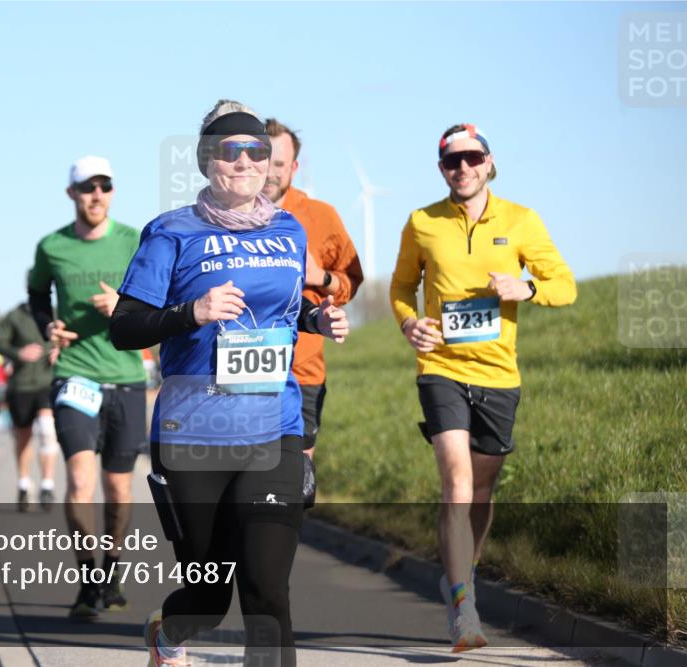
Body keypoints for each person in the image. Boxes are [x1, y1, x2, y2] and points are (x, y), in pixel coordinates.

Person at [109, 100, 348, 667]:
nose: (244, 161)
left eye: (256, 150)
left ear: (270, 162)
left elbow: (282, 308)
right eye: (229, 150)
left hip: (275, 427)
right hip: (193, 434)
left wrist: (316, 319)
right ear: (205, 161)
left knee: (266, 590)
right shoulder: (171, 232)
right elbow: (124, 327)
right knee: (209, 598)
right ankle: (169, 634)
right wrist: (190, 312)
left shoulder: (288, 231)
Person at [390, 123, 576, 652]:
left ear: (489, 163)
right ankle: (461, 606)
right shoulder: (422, 222)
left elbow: (565, 285)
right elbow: (402, 286)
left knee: (481, 491)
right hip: (441, 367)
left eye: (473, 158)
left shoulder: (521, 220)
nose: (463, 168)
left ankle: (464, 573)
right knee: (457, 481)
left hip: (498, 374)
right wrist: (409, 323)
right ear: (441, 169)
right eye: (453, 161)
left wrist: (527, 287)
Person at [28, 156, 147, 618]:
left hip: (126, 377)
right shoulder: (52, 246)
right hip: (75, 374)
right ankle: (88, 581)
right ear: (71, 194)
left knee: (118, 487)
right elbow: (37, 295)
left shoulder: (134, 240)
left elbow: (159, 297)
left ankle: (112, 574)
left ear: (112, 192)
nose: (96, 195)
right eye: (87, 187)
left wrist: (123, 304)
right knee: (79, 479)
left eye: (104, 186)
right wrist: (48, 325)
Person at [262, 118, 363, 509]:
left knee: (295, 486)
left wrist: (321, 277)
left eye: (279, 164)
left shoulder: (321, 216)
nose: (269, 172)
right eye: (263, 160)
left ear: (294, 167)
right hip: (239, 371)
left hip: (301, 371)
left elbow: (351, 280)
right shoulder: (227, 215)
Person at [0, 297, 59, 512]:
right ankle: (23, 484)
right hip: (20, 386)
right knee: (23, 437)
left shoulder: (55, 313)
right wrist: (18, 353)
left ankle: (47, 484)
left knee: (47, 431)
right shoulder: (14, 316)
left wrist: (60, 350)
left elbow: (72, 338)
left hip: (47, 383)